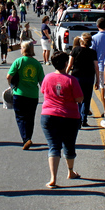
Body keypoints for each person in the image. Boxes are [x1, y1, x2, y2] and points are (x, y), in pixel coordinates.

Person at [40, 51, 84, 188]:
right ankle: (70, 172)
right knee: (69, 145)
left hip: (48, 115)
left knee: (54, 146)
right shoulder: (71, 80)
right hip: (69, 116)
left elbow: (43, 91)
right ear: (66, 63)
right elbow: (79, 98)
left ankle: (53, 178)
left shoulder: (47, 78)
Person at [7, 40, 45, 149]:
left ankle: (26, 139)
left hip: (19, 94)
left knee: (20, 117)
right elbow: (42, 82)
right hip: (32, 95)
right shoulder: (37, 63)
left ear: (23, 50)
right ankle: (28, 137)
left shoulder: (19, 61)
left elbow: (9, 76)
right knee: (30, 117)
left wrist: (11, 86)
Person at [67, 34, 98, 126]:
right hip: (89, 77)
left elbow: (70, 64)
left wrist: (65, 75)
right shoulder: (92, 52)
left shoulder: (75, 50)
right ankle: (83, 119)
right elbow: (96, 67)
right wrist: (98, 80)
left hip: (77, 76)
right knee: (87, 98)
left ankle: (77, 117)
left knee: (76, 98)